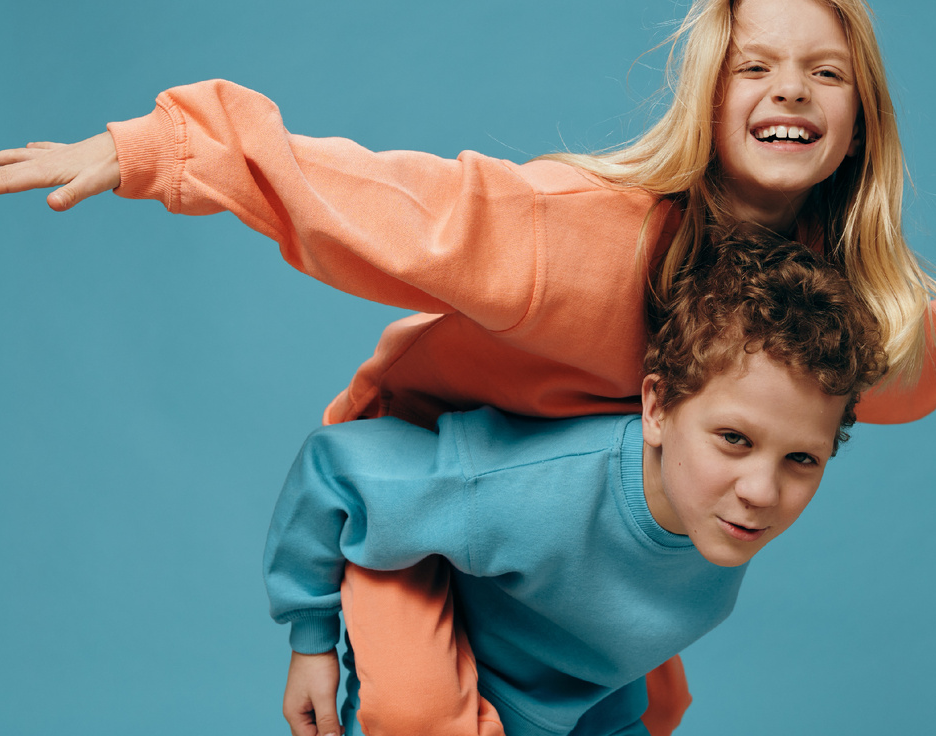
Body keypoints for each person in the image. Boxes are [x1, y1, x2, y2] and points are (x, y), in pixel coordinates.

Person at [0, 0, 936, 735]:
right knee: (423, 715)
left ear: (862, 119)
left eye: (826, 72)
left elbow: (898, 360)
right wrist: (161, 150)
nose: (790, 88)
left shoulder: (835, 314)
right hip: (423, 506)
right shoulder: (586, 237)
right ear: (708, 95)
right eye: (756, 66)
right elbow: (392, 207)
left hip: (573, 568)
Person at [265, 227, 889, 736]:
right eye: (734, 439)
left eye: (801, 460)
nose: (762, 491)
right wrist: (311, 641)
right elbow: (335, 466)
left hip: (587, 706)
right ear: (658, 408)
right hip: (457, 672)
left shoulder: (719, 518)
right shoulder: (528, 490)